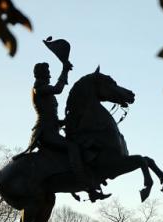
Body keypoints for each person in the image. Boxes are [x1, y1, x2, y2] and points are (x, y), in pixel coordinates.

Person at [23, 61, 109, 202]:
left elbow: (51, 116)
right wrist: (65, 70)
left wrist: (65, 121)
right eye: (47, 72)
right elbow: (58, 89)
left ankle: (89, 185)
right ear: (41, 74)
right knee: (72, 147)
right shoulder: (39, 89)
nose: (49, 75)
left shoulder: (44, 90)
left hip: (53, 129)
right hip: (45, 132)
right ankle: (84, 182)